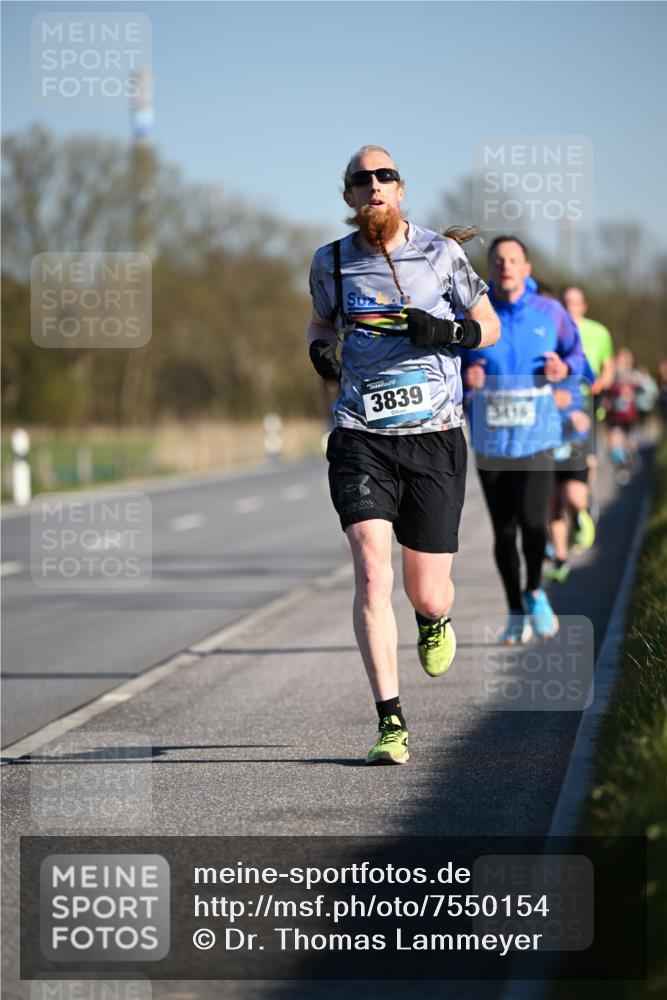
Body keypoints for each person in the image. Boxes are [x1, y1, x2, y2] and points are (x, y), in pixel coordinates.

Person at [307, 145, 500, 764]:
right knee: (370, 569)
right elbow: (318, 324)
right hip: (362, 435)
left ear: (401, 189)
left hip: (435, 435)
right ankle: (391, 723)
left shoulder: (442, 255)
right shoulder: (331, 263)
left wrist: (448, 333)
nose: (374, 186)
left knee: (428, 592)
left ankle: (433, 619)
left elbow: (488, 325)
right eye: (361, 180)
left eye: (384, 176)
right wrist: (320, 352)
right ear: (348, 197)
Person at [459, 237, 585, 645]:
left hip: (539, 437)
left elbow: (579, 361)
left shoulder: (551, 313)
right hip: (491, 443)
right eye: (498, 261)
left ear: (527, 268)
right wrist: (465, 380)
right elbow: (446, 371)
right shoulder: (476, 313)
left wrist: (562, 366)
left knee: (534, 522)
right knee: (504, 530)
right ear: (489, 269)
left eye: (513, 260)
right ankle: (515, 610)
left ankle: (534, 592)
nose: (506, 266)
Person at [561, 285, 615, 520]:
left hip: (590, 397)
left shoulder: (599, 332)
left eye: (575, 302)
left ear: (583, 306)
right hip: (562, 402)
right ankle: (567, 501)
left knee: (587, 455)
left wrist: (601, 383)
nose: (570, 307)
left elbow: (608, 366)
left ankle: (584, 495)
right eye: (566, 302)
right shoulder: (555, 330)